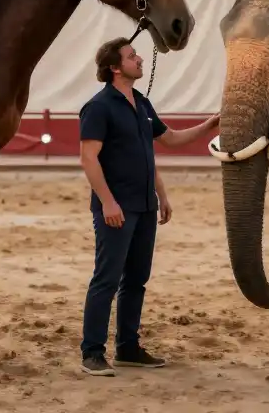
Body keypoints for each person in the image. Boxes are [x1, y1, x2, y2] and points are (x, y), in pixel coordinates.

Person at [77, 37, 220, 377]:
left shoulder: (141, 104)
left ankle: (127, 348)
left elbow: (167, 140)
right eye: (131, 56)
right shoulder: (98, 107)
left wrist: (208, 126)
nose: (140, 59)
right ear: (114, 67)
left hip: (144, 206)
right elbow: (88, 158)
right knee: (106, 279)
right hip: (117, 208)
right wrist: (108, 202)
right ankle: (92, 352)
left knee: (137, 279)